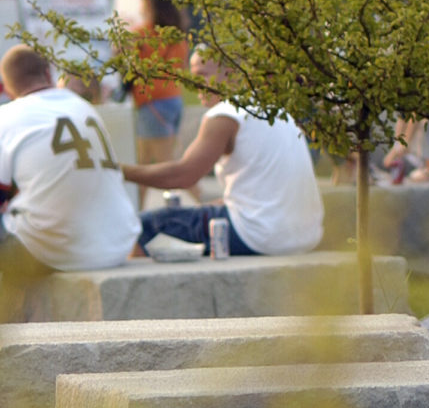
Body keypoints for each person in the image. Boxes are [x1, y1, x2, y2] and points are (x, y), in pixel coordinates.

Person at [126, 50, 325, 259]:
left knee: (143, 226)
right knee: (197, 214)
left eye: (201, 74)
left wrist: (120, 171)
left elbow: (183, 176)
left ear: (230, 74)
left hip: (258, 237)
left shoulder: (226, 113)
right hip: (306, 236)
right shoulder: (274, 110)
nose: (194, 84)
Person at [0, 46, 139, 317]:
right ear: (48, 73)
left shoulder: (7, 116)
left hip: (53, 252)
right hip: (117, 244)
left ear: (6, 87)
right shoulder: (83, 107)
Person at [127, 0, 189, 208]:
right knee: (143, 161)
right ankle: (137, 209)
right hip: (173, 99)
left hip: (151, 102)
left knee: (167, 166)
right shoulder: (177, 36)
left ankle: (197, 203)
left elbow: (126, 63)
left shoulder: (141, 34)